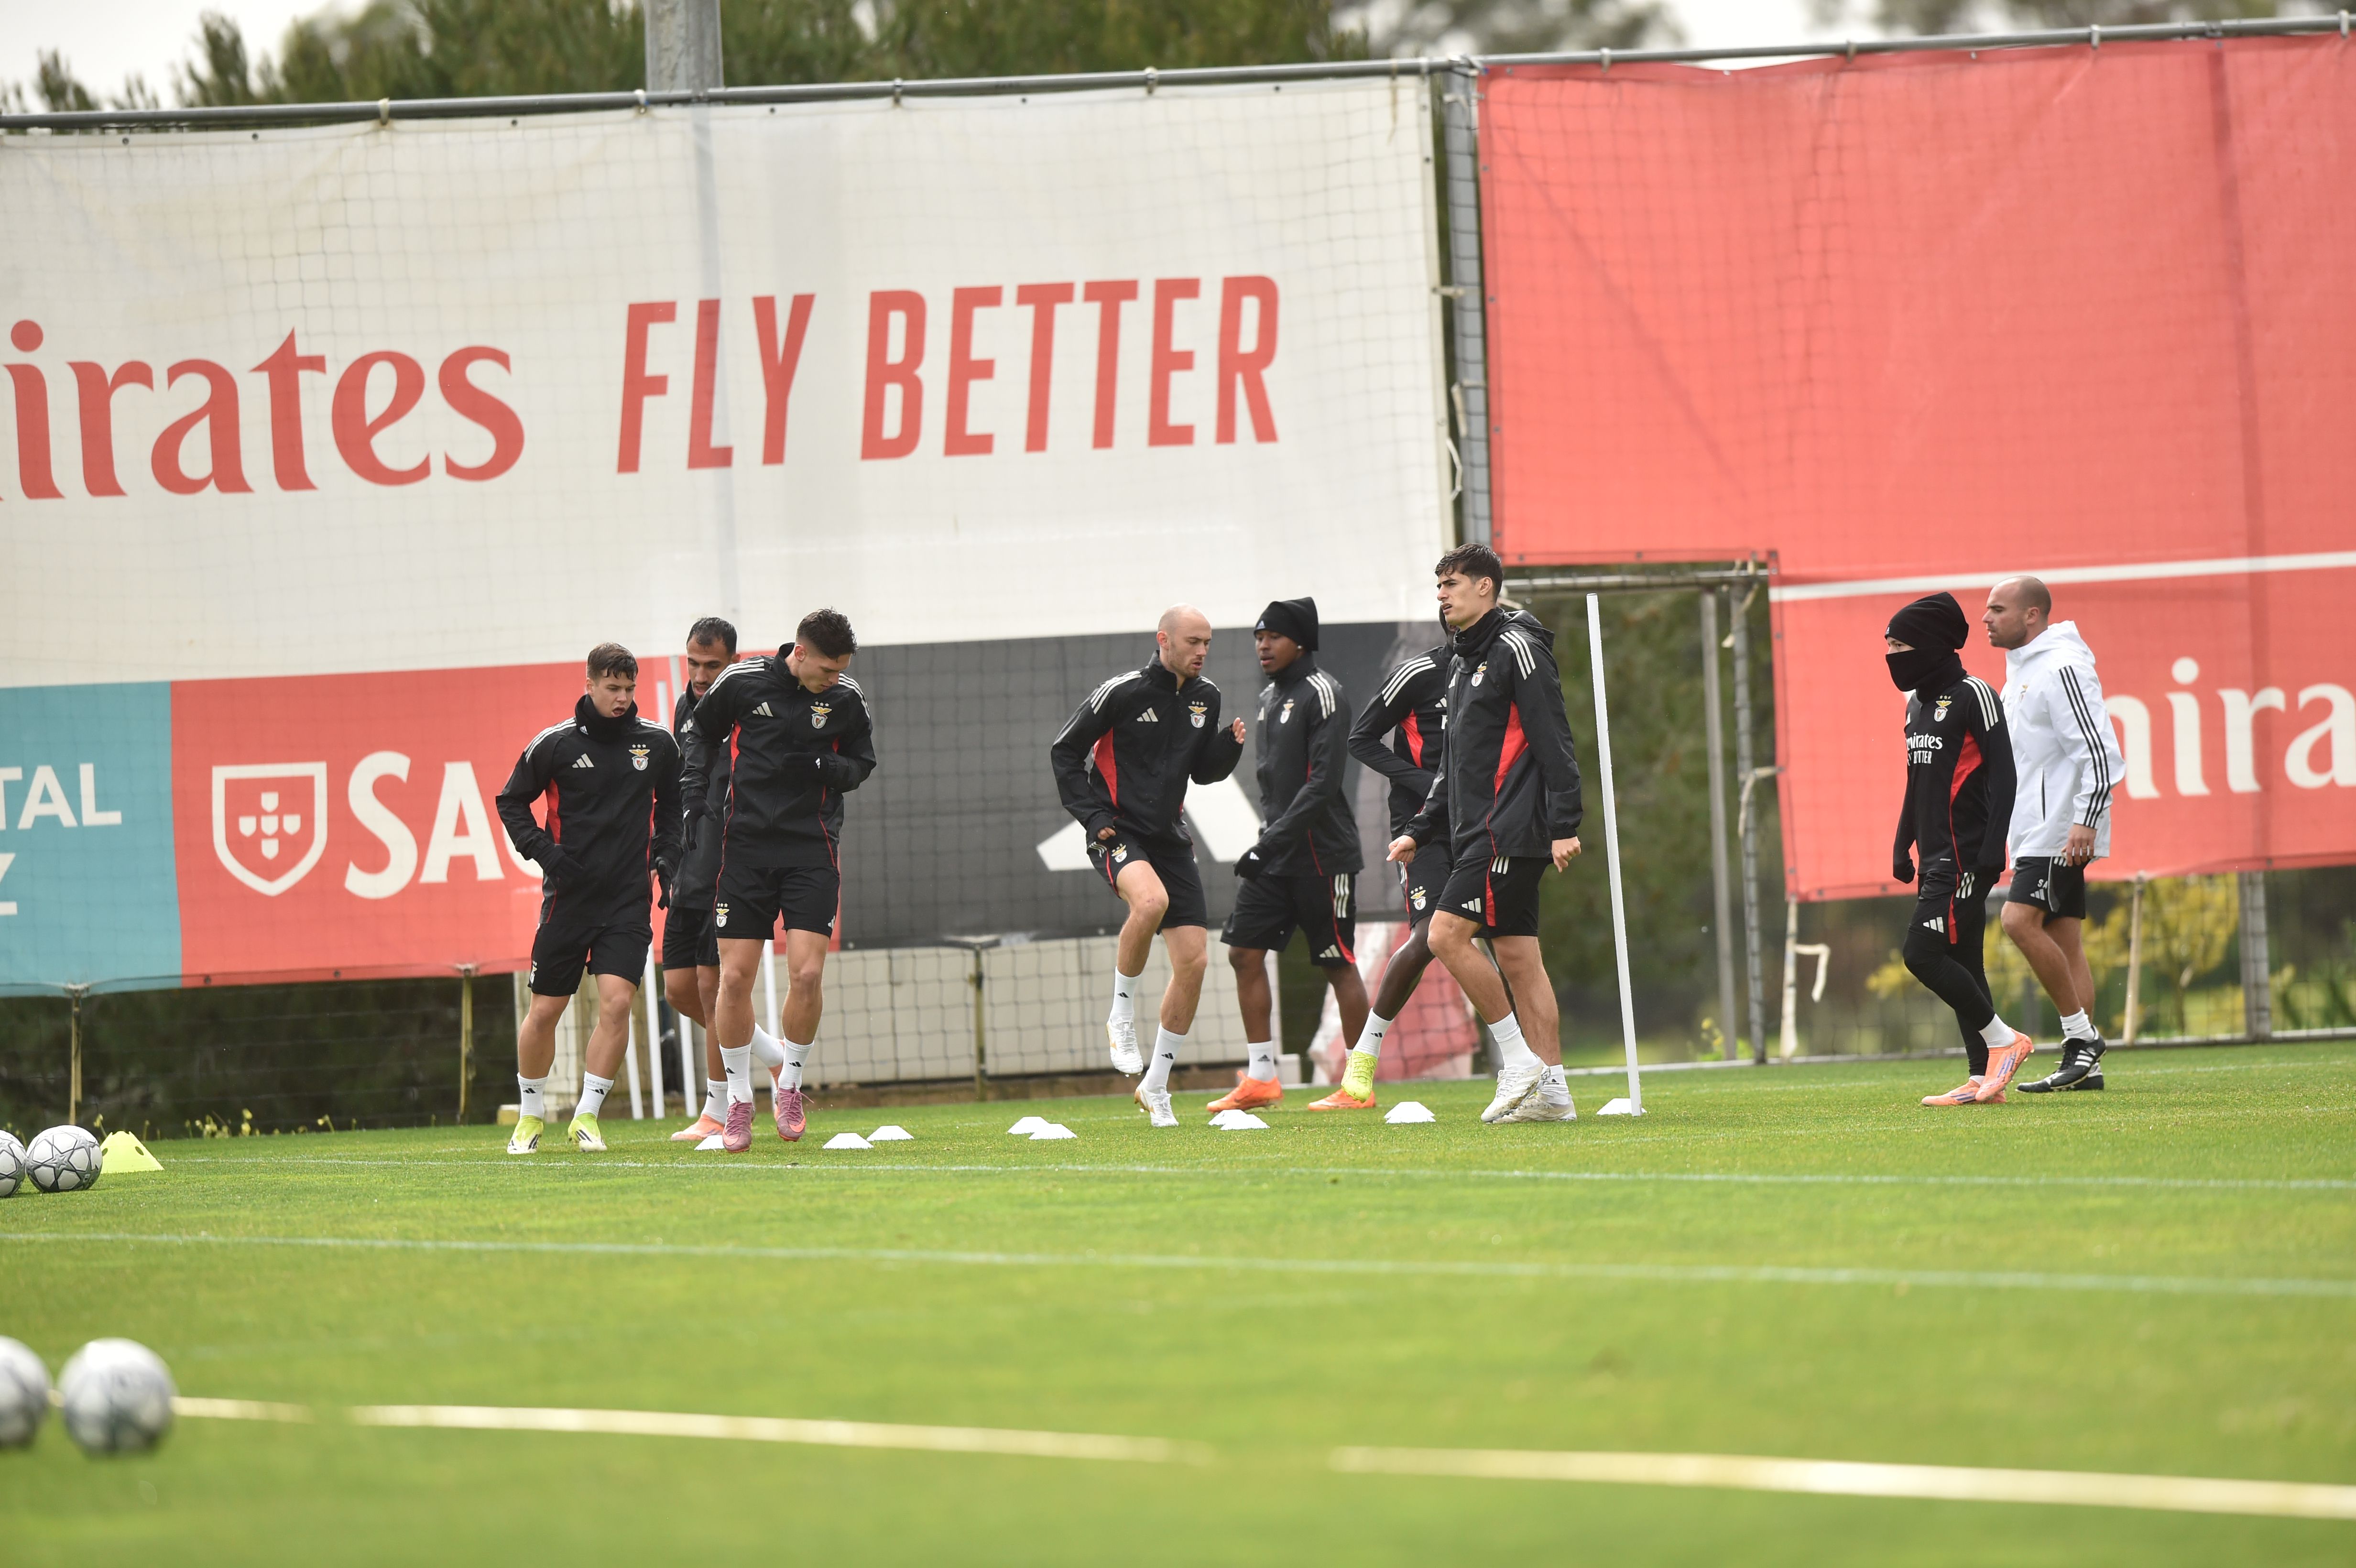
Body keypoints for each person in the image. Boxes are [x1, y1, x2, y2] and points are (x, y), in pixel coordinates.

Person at [1388, 544, 1584, 1125]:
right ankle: (1554, 1095)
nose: (1441, 594)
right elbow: (1453, 762)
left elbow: (1555, 741)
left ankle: (1519, 1062)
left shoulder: (1518, 651)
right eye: (1439, 585)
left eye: (1451, 583)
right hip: (1477, 830)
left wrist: (1564, 823)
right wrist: (1421, 830)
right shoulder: (1457, 660)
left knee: (1445, 936)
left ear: (1485, 588)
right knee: (1520, 959)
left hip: (1508, 829)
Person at [683, 609, 875, 1152]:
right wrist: (694, 798)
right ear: (800, 652)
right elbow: (698, 733)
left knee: (808, 974)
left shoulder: (845, 698)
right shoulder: (742, 683)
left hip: (812, 849)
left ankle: (788, 1084)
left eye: (841, 671)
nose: (833, 680)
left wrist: (826, 769)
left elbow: (863, 762)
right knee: (735, 979)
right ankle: (739, 1100)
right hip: (744, 850)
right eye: (827, 670)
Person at [1049, 605, 1247, 1127]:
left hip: (1169, 838)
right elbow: (1064, 752)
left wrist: (1227, 747)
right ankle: (1120, 1017)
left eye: (1207, 642)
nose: (1201, 651)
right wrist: (1092, 818)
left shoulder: (1208, 697)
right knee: (1151, 901)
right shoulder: (1123, 691)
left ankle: (1156, 1085)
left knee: (1195, 962)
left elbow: (1203, 773)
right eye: (1192, 642)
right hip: (1116, 830)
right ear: (1163, 640)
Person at [495, 643, 681, 1154]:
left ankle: (587, 1116)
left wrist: (667, 859)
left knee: (618, 1003)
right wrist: (546, 855)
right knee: (546, 1010)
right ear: (590, 684)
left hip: (627, 901)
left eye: (629, 689)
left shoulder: (657, 744)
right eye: (612, 688)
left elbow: (672, 807)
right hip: (568, 901)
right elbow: (510, 801)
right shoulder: (553, 745)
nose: (622, 698)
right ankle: (530, 1115)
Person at [1215, 598, 1368, 1113]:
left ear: (1300, 641)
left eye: (1273, 636)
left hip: (1324, 859)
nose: (1262, 645)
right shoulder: (1266, 698)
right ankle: (1261, 1078)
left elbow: (1322, 785)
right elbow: (1274, 788)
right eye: (1258, 637)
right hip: (1276, 856)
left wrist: (1267, 844)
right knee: (1242, 952)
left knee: (1337, 964)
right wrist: (1270, 844)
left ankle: (1358, 1085)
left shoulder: (1324, 694)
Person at [1885, 591, 2037, 1106]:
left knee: (1921, 954)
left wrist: (1993, 850)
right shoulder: (1915, 704)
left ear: (1928, 644)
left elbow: (2004, 775)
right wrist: (1900, 841)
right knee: (1964, 961)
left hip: (1965, 855)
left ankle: (2004, 1041)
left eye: (1899, 644)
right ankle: (1981, 1078)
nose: (1891, 654)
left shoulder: (1975, 694)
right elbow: (1915, 779)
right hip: (1932, 855)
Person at [1985, 576, 2126, 1093]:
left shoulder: (2062, 667)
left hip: (2060, 828)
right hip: (2035, 829)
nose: (1985, 618)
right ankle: (2085, 1067)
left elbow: (2098, 751)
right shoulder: (2021, 670)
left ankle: (2080, 1039)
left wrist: (2085, 819)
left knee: (2016, 920)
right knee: (2065, 940)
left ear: (2031, 615)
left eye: (1997, 609)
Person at [1311, 630, 1457, 1111]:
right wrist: (1428, 787)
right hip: (1422, 828)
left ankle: (1534, 1068)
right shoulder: (1418, 672)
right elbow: (1361, 739)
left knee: (1514, 944)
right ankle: (1363, 1058)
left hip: (1487, 824)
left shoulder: (1507, 669)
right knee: (1427, 938)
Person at [664, 618, 788, 1143]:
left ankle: (719, 1109)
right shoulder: (684, 706)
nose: (699, 674)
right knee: (678, 990)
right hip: (690, 864)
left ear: (732, 664)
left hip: (729, 864)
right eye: (692, 662)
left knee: (717, 988)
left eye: (711, 665)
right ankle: (775, 1057)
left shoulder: (745, 706)